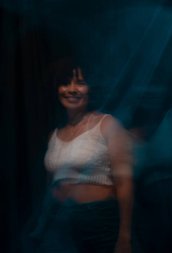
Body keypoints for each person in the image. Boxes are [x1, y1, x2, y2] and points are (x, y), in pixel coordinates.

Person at [30, 60, 133, 253]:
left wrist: (125, 236)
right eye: (66, 83)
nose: (72, 89)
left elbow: (125, 182)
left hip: (97, 220)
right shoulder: (54, 135)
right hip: (59, 222)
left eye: (80, 83)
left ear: (90, 89)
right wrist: (41, 225)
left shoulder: (107, 124)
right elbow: (50, 185)